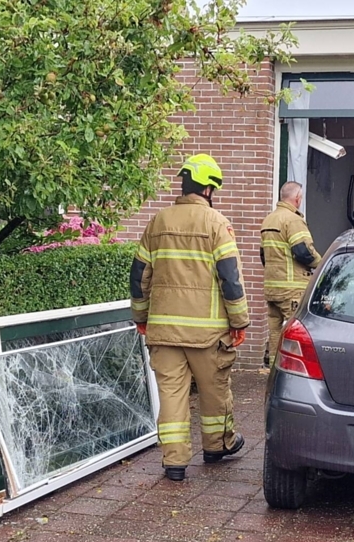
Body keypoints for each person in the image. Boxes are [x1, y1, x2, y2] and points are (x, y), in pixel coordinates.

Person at [130, 153, 249, 481]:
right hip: (208, 335)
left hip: (164, 331)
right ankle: (217, 446)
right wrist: (239, 322)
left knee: (171, 397)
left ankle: (175, 463)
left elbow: (139, 275)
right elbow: (230, 278)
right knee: (215, 392)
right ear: (209, 190)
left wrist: (141, 317)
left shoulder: (158, 222)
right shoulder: (216, 224)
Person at [260, 181, 322, 366]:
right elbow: (303, 251)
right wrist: (322, 264)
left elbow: (263, 255)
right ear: (297, 198)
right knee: (298, 329)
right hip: (291, 288)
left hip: (272, 287)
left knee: (275, 330)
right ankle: (292, 370)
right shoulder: (293, 220)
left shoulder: (269, 219)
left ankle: (273, 369)